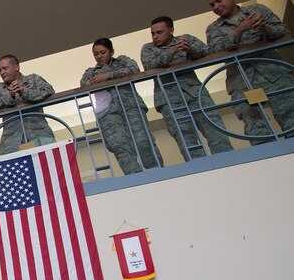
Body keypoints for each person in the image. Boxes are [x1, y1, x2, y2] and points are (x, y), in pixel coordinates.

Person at [205, 0, 294, 140]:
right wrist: (240, 29)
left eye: (219, 0)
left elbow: (283, 31)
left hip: (273, 72)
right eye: (212, 5)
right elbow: (216, 51)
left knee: (289, 112)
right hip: (241, 80)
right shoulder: (213, 28)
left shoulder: (258, 11)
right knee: (254, 124)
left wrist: (265, 28)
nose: (216, 6)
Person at [140, 16, 234, 160]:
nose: (155, 37)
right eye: (153, 33)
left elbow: (206, 51)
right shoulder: (148, 48)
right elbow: (149, 65)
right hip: (168, 99)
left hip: (194, 92)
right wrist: (172, 52)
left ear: (171, 30)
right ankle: (199, 168)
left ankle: (227, 160)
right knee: (184, 136)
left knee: (213, 125)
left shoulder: (185, 39)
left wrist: (190, 50)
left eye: (159, 32)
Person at [81, 38, 163, 175]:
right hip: (107, 113)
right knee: (119, 145)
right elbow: (84, 84)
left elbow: (134, 69)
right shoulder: (90, 72)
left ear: (111, 51)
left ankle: (156, 173)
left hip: (131, 106)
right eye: (96, 54)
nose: (99, 56)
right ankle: (135, 176)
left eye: (103, 52)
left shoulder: (122, 61)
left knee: (143, 141)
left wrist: (109, 75)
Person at [0, 55, 56, 154]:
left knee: (48, 166)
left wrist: (24, 92)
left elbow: (49, 91)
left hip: (40, 136)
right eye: (0, 70)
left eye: (5, 68)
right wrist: (9, 95)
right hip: (11, 143)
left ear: (16, 67)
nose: (2, 72)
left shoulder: (33, 79)